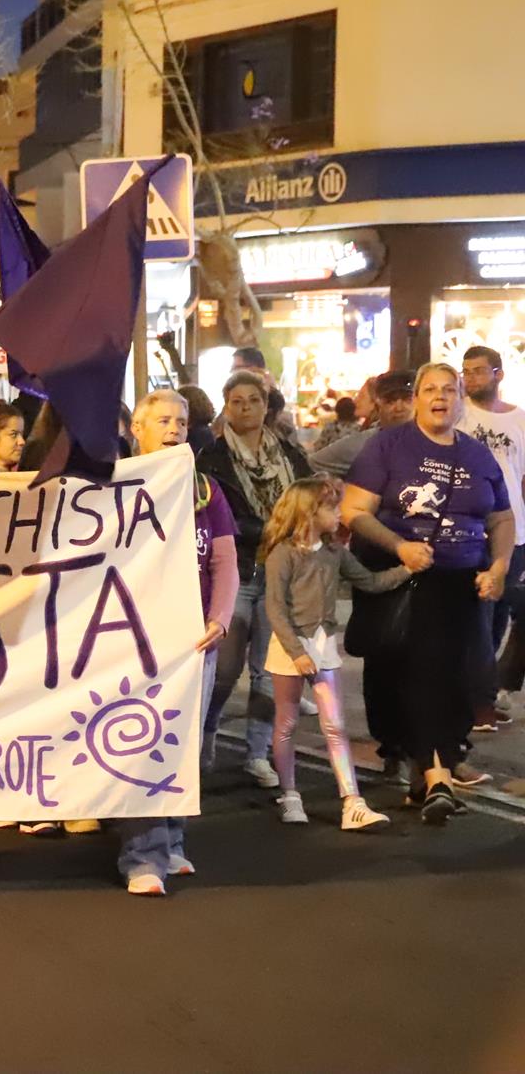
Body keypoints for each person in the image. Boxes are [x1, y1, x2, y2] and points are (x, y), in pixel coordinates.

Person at [342, 363, 512, 823]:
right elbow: (354, 510)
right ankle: (436, 772)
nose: (440, 397)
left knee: (464, 675)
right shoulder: (388, 446)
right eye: (430, 390)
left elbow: (500, 518)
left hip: (465, 582)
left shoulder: (477, 454)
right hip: (406, 580)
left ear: (461, 400)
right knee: (421, 672)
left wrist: (497, 566)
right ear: (417, 398)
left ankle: (430, 770)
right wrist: (400, 546)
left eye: (449, 390)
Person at [117, 390, 236, 895]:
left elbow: (224, 562)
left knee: (181, 744)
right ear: (136, 431)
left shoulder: (206, 490)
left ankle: (172, 843)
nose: (174, 428)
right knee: (142, 744)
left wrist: (221, 618)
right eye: (162, 419)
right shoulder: (113, 488)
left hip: (194, 642)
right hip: (134, 641)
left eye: (182, 420)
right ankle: (141, 856)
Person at [258, 477, 403, 833]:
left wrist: (407, 569)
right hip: (290, 647)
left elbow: (368, 581)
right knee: (287, 723)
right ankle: (290, 793)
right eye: (331, 507)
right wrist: (295, 652)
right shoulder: (283, 554)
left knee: (335, 725)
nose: (339, 514)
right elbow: (276, 608)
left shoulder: (335, 552)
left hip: (322, 645)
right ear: (310, 512)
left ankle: (351, 800)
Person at [197, 371, 311, 786]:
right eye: (237, 402)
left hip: (283, 572)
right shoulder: (211, 458)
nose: (246, 408)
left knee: (269, 670)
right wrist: (267, 530)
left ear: (267, 406)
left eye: (254, 401)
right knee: (224, 668)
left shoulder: (290, 454)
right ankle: (206, 732)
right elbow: (214, 515)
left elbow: (307, 497)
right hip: (238, 570)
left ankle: (258, 752)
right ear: (226, 407)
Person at [459, 346, 525, 731]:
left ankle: (484, 691)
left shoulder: (519, 419)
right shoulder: (458, 415)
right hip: (468, 530)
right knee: (476, 616)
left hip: (513, 530)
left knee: (498, 616)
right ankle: (476, 699)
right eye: (466, 372)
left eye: (480, 371)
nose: (472, 379)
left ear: (498, 374)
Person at [310, 371, 414, 480]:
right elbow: (314, 463)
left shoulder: (426, 439)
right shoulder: (366, 442)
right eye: (390, 401)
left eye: (407, 400)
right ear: (378, 405)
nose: (399, 407)